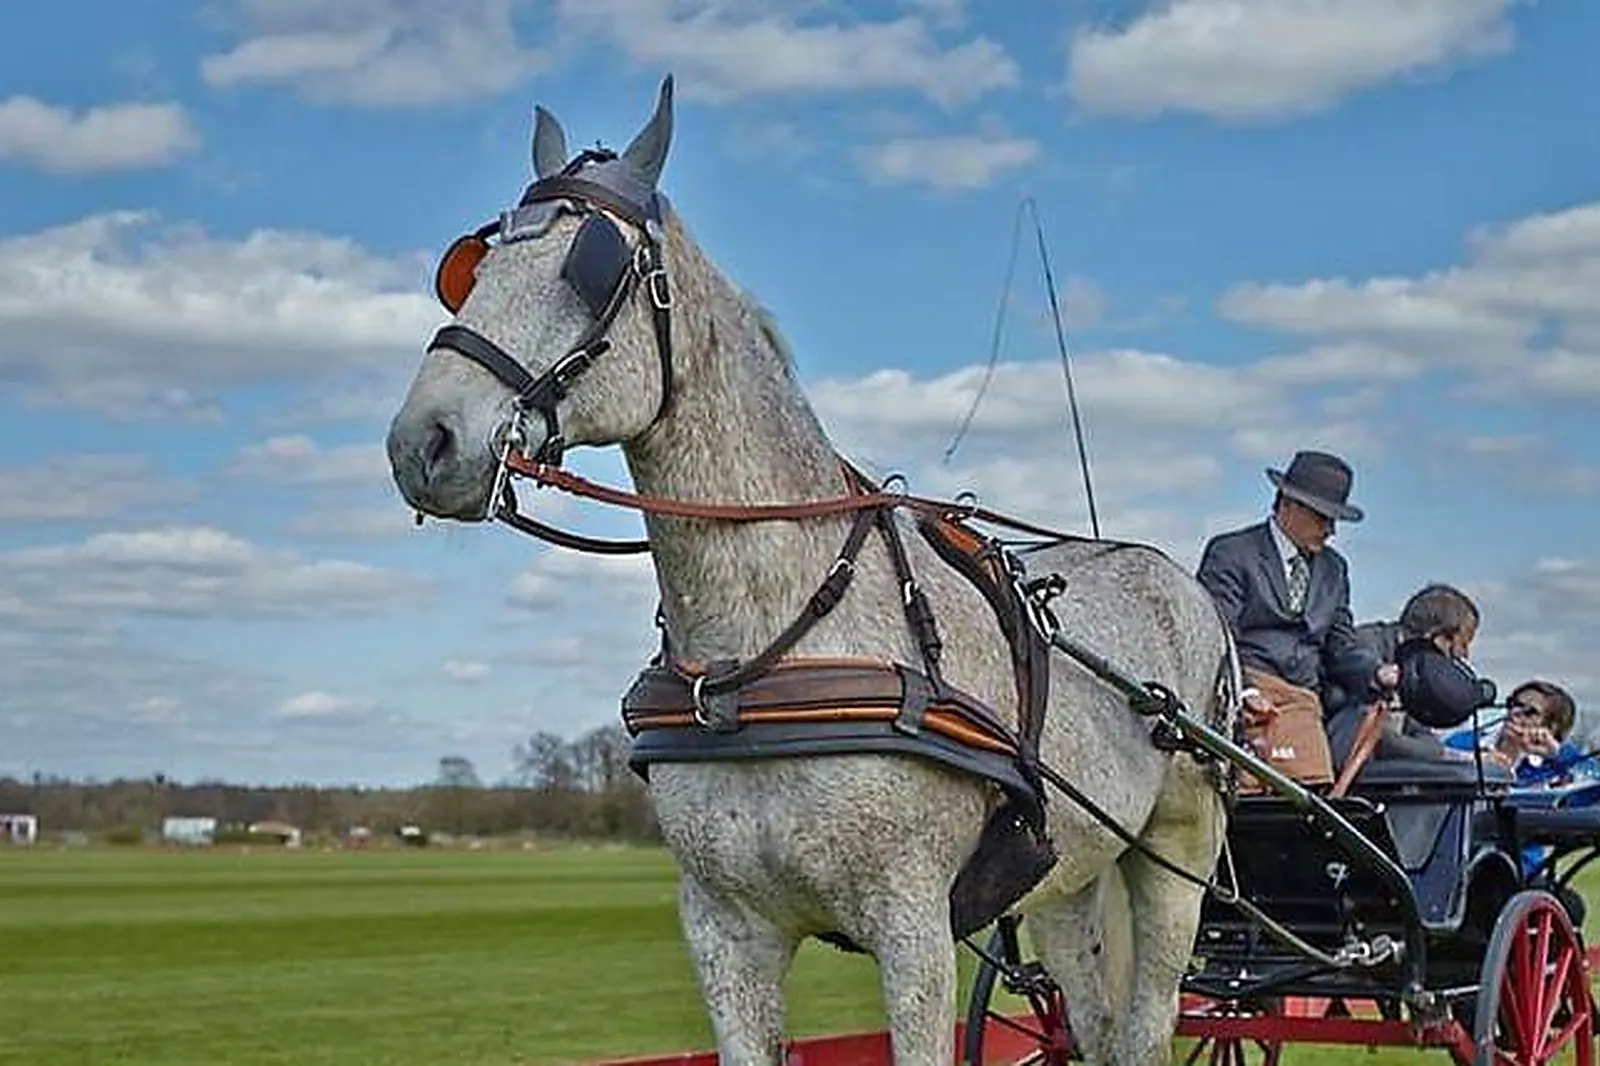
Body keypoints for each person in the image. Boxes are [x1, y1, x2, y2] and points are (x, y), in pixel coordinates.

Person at [1197, 450, 1398, 787]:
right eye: (1323, 518)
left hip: (1303, 702)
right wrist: (1243, 692)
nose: (1331, 530)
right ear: (1289, 504)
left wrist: (1376, 672)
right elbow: (1216, 633)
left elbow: (1341, 644)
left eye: (1334, 520)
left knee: (1310, 797)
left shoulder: (1334, 570)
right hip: (1242, 693)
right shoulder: (1233, 553)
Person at [1344, 583, 1499, 763]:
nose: (1463, 655)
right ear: (1438, 635)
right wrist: (1453, 757)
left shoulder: (1416, 668)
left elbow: (1423, 735)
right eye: (1462, 643)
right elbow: (1372, 735)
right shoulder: (1362, 649)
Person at [1445, 679, 1589, 786]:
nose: (1515, 712)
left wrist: (1557, 753)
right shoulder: (1463, 743)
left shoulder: (1557, 764)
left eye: (1530, 712)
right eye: (1513, 704)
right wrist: (1471, 760)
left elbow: (1591, 783)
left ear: (1551, 727)